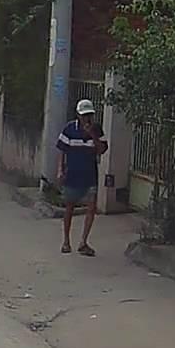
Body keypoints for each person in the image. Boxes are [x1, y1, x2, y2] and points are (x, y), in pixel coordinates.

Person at [56, 99, 107, 256]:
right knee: (69, 207)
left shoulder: (97, 130)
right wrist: (60, 170)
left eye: (89, 115)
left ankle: (83, 242)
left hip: (90, 175)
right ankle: (66, 241)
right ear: (78, 115)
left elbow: (101, 150)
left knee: (91, 207)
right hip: (73, 174)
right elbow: (62, 150)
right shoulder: (69, 129)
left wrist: (93, 135)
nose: (87, 118)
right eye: (84, 115)